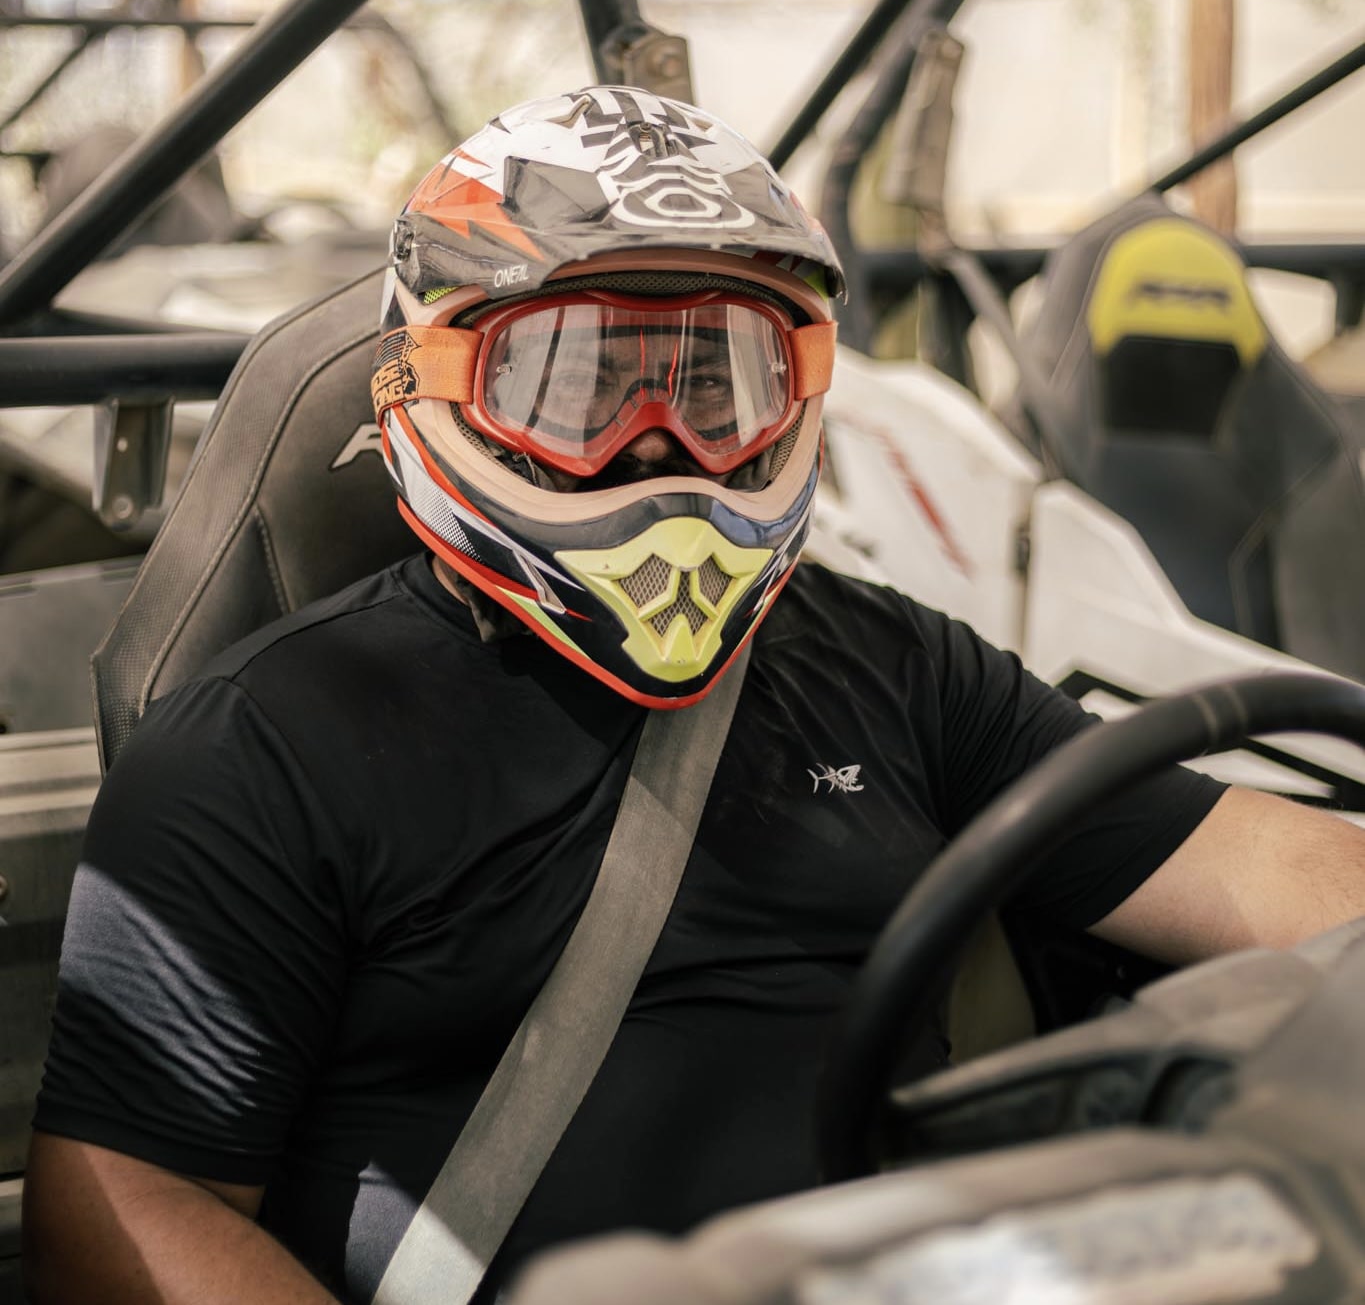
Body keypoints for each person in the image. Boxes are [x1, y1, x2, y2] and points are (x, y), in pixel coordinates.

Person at [22, 86, 1365, 1305]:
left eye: (717, 383)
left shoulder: (899, 666)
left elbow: (1251, 861)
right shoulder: (268, 741)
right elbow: (131, 1202)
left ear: (798, 392)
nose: (657, 447)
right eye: (575, 387)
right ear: (426, 387)